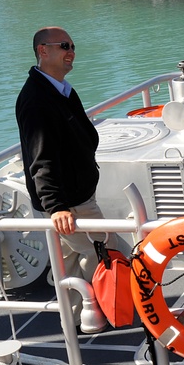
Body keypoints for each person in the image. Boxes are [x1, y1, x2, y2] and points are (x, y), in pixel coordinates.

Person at [16, 27, 109, 286]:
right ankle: (102, 312)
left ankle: (78, 318)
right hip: (70, 202)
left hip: (77, 196)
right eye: (64, 46)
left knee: (68, 260)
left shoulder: (61, 90)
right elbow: (40, 157)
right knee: (100, 251)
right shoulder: (37, 99)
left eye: (72, 46)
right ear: (42, 51)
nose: (71, 52)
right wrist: (56, 207)